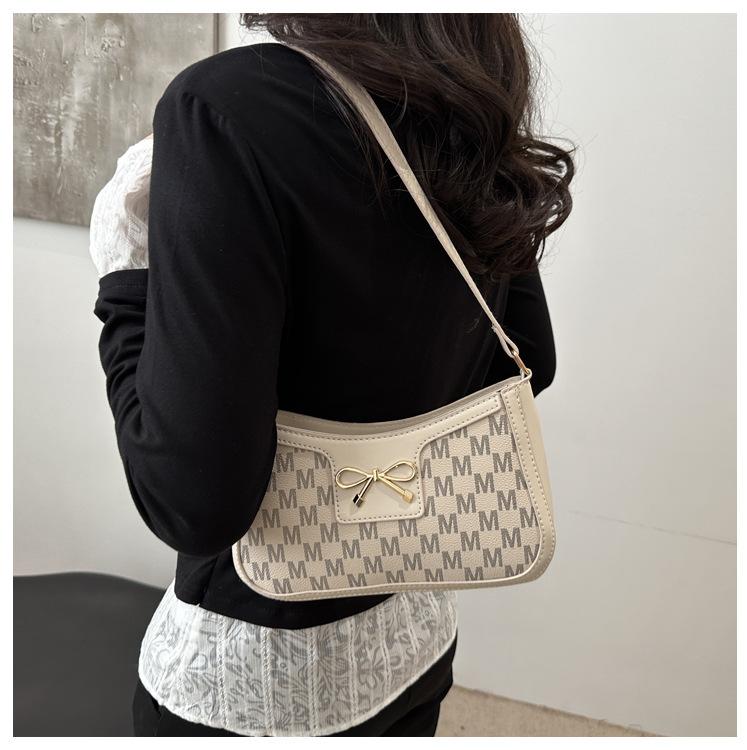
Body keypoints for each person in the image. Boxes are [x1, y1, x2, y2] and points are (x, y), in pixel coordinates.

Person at [89, 13, 573, 737]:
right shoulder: (466, 85)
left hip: (254, 683)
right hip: (414, 640)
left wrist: (126, 283)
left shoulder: (226, 106)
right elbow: (528, 356)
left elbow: (190, 504)